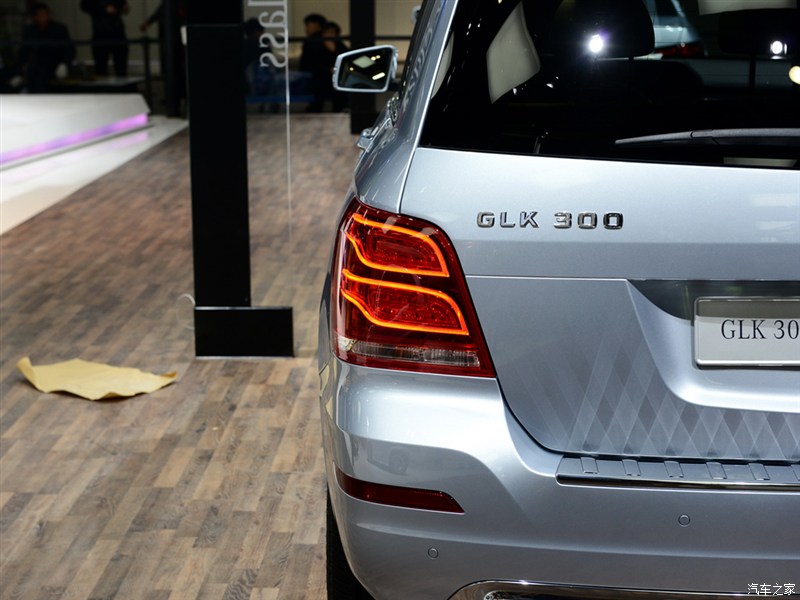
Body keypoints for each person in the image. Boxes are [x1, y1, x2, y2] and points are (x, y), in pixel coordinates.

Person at [19, 2, 74, 92]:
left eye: (45, 14)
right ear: (35, 17)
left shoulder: (59, 28)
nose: (43, 17)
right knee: (33, 73)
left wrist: (64, 64)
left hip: (54, 63)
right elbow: (24, 51)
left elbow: (69, 49)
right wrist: (21, 68)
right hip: (35, 65)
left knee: (40, 74)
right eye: (40, 15)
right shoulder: (30, 30)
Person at [80, 0, 129, 77]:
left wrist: (123, 8)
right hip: (101, 32)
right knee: (101, 68)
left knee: (121, 67)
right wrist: (103, 9)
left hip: (117, 32)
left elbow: (123, 6)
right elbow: (85, 6)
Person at [300, 13, 328, 112]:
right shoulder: (316, 40)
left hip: (315, 74)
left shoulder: (316, 41)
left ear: (317, 26)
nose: (307, 28)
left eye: (309, 25)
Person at [322, 21, 349, 112]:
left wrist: (333, 50)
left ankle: (341, 108)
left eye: (332, 33)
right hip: (322, 77)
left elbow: (345, 61)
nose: (329, 35)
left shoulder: (340, 47)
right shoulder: (317, 46)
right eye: (327, 33)